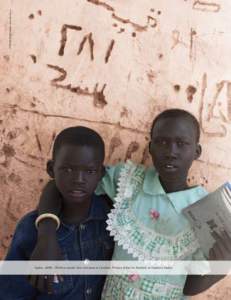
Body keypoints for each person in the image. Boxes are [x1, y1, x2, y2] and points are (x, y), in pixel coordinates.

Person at [32, 109, 231, 299]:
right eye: (162, 142)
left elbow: (189, 287)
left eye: (181, 143)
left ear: (196, 152)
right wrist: (46, 235)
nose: (171, 152)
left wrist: (220, 266)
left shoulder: (207, 211)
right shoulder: (128, 181)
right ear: (150, 148)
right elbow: (59, 184)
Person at [0, 126, 114, 300]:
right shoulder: (31, 229)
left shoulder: (112, 221)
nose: (78, 180)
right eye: (68, 169)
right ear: (51, 169)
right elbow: (12, 293)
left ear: (101, 173)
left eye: (89, 171)